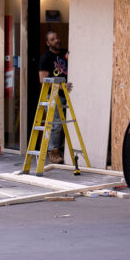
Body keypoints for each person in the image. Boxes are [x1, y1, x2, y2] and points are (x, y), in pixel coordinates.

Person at [38, 31, 71, 164]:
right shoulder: (46, 58)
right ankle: (53, 152)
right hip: (53, 96)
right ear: (47, 43)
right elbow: (43, 79)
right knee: (56, 125)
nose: (56, 40)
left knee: (63, 125)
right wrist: (62, 87)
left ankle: (59, 149)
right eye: (52, 39)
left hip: (66, 95)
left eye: (57, 38)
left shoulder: (64, 54)